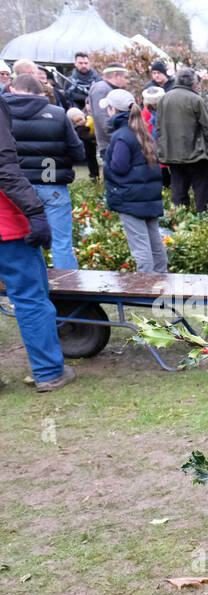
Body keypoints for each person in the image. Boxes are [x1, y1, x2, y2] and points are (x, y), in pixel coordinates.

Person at [0, 97, 73, 391]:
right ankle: (48, 371)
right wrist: (34, 211)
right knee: (30, 297)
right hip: (6, 226)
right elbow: (4, 168)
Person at [3, 73, 84, 269]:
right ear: (40, 92)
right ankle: (70, 295)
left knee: (22, 240)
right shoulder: (57, 114)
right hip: (52, 184)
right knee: (61, 243)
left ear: (13, 89)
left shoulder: (4, 114)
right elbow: (78, 152)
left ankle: (31, 285)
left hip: (17, 188)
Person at [101, 87, 167, 274]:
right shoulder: (142, 131)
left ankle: (145, 287)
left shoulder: (121, 135)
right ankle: (162, 279)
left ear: (113, 110)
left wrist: (106, 163)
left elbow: (119, 167)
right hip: (147, 196)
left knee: (140, 246)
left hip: (130, 198)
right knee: (154, 242)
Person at [156, 68, 208, 213]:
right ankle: (206, 225)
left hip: (172, 156)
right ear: (194, 83)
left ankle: (180, 226)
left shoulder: (164, 99)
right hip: (197, 156)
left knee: (178, 194)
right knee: (203, 195)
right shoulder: (196, 99)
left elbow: (159, 128)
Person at [88, 63, 130, 167]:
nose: (127, 81)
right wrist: (122, 137)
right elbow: (104, 121)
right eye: (125, 77)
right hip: (111, 145)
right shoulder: (102, 89)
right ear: (116, 75)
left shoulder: (108, 89)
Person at [67, 107, 98, 179]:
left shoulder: (88, 122)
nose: (80, 122)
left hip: (91, 147)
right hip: (87, 149)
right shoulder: (79, 129)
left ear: (83, 116)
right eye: (77, 122)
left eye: (81, 119)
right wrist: (96, 135)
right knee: (91, 162)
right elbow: (86, 136)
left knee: (93, 161)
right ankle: (93, 175)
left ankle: (95, 174)